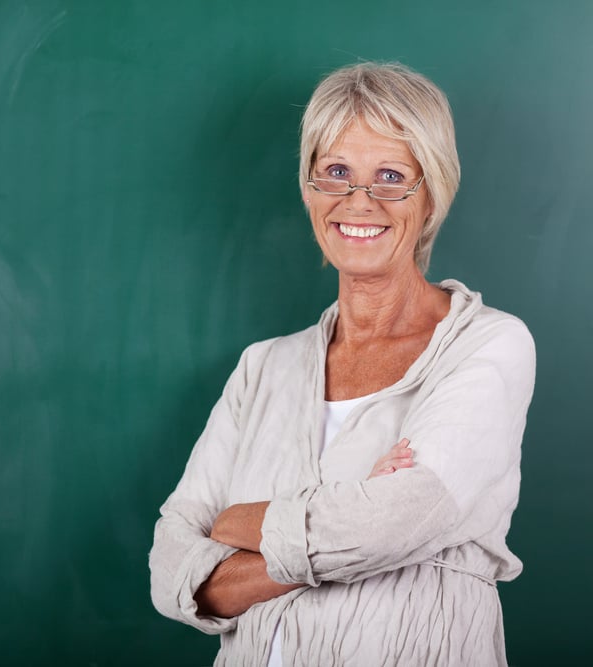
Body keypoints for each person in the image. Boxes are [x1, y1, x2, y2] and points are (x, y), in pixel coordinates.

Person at [148, 62, 535, 666]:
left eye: (390, 176)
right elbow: (172, 573)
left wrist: (237, 525)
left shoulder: (489, 345)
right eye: (335, 173)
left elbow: (399, 522)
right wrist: (343, 530)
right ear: (308, 189)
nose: (359, 201)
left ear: (431, 192)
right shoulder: (263, 368)